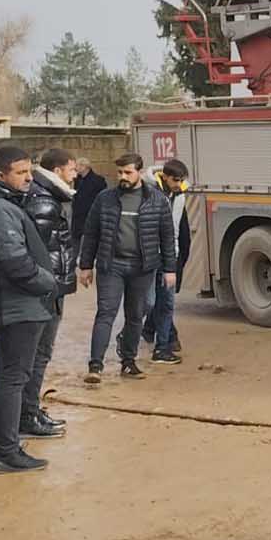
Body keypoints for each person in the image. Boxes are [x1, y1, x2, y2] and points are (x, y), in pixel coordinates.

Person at [0, 145, 61, 473]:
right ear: (1, 175)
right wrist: (46, 281)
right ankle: (5, 451)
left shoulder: (2, 205)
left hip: (15, 305)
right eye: (21, 172)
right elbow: (14, 261)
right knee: (13, 378)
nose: (28, 178)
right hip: (17, 306)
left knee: (4, 376)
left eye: (29, 171)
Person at [76, 153, 176, 383]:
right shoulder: (105, 198)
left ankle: (128, 363)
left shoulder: (156, 200)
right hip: (112, 266)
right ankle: (95, 366)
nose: (123, 176)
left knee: (135, 316)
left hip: (143, 267)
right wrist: (85, 266)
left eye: (128, 172)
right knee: (106, 313)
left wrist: (170, 269)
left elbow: (167, 236)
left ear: (140, 173)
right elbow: (91, 233)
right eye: (119, 172)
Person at [21, 147, 77, 440]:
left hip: (50, 285)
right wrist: (48, 283)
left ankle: (30, 409)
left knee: (38, 354)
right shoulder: (45, 202)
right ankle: (27, 415)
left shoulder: (49, 196)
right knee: (39, 353)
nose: (75, 174)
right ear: (57, 171)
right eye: (72, 168)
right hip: (47, 287)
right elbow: (37, 251)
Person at [144, 159, 191, 365]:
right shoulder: (147, 191)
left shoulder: (179, 194)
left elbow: (181, 228)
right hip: (148, 256)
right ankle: (145, 331)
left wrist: (178, 258)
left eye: (182, 180)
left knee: (167, 303)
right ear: (164, 176)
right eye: (176, 180)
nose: (179, 184)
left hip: (169, 256)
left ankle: (163, 346)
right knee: (149, 301)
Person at [70, 159, 108, 237]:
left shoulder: (98, 180)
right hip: (78, 215)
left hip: (90, 214)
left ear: (84, 166)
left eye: (77, 166)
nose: (76, 168)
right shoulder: (77, 179)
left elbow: (102, 198)